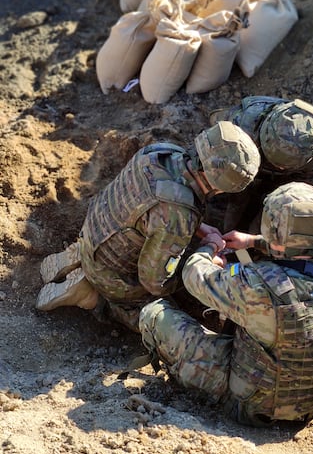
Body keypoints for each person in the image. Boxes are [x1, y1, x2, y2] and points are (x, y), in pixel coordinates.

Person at [139, 182, 313, 426]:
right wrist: (254, 242)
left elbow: (194, 275)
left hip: (253, 408)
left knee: (154, 314)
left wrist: (209, 247)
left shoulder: (257, 288)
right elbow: (303, 250)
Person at [36, 121, 261, 332]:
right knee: (168, 322)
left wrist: (199, 228)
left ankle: (80, 256)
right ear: (220, 185)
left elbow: (150, 207)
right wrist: (207, 255)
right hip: (112, 276)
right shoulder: (178, 215)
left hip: (96, 229)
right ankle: (93, 296)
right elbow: (156, 283)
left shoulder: (162, 152)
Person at [206, 95, 313, 232]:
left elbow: (309, 184)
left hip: (287, 179)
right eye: (278, 163)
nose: (280, 167)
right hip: (245, 165)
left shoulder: (312, 146)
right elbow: (211, 144)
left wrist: (264, 229)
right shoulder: (244, 123)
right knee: (232, 194)